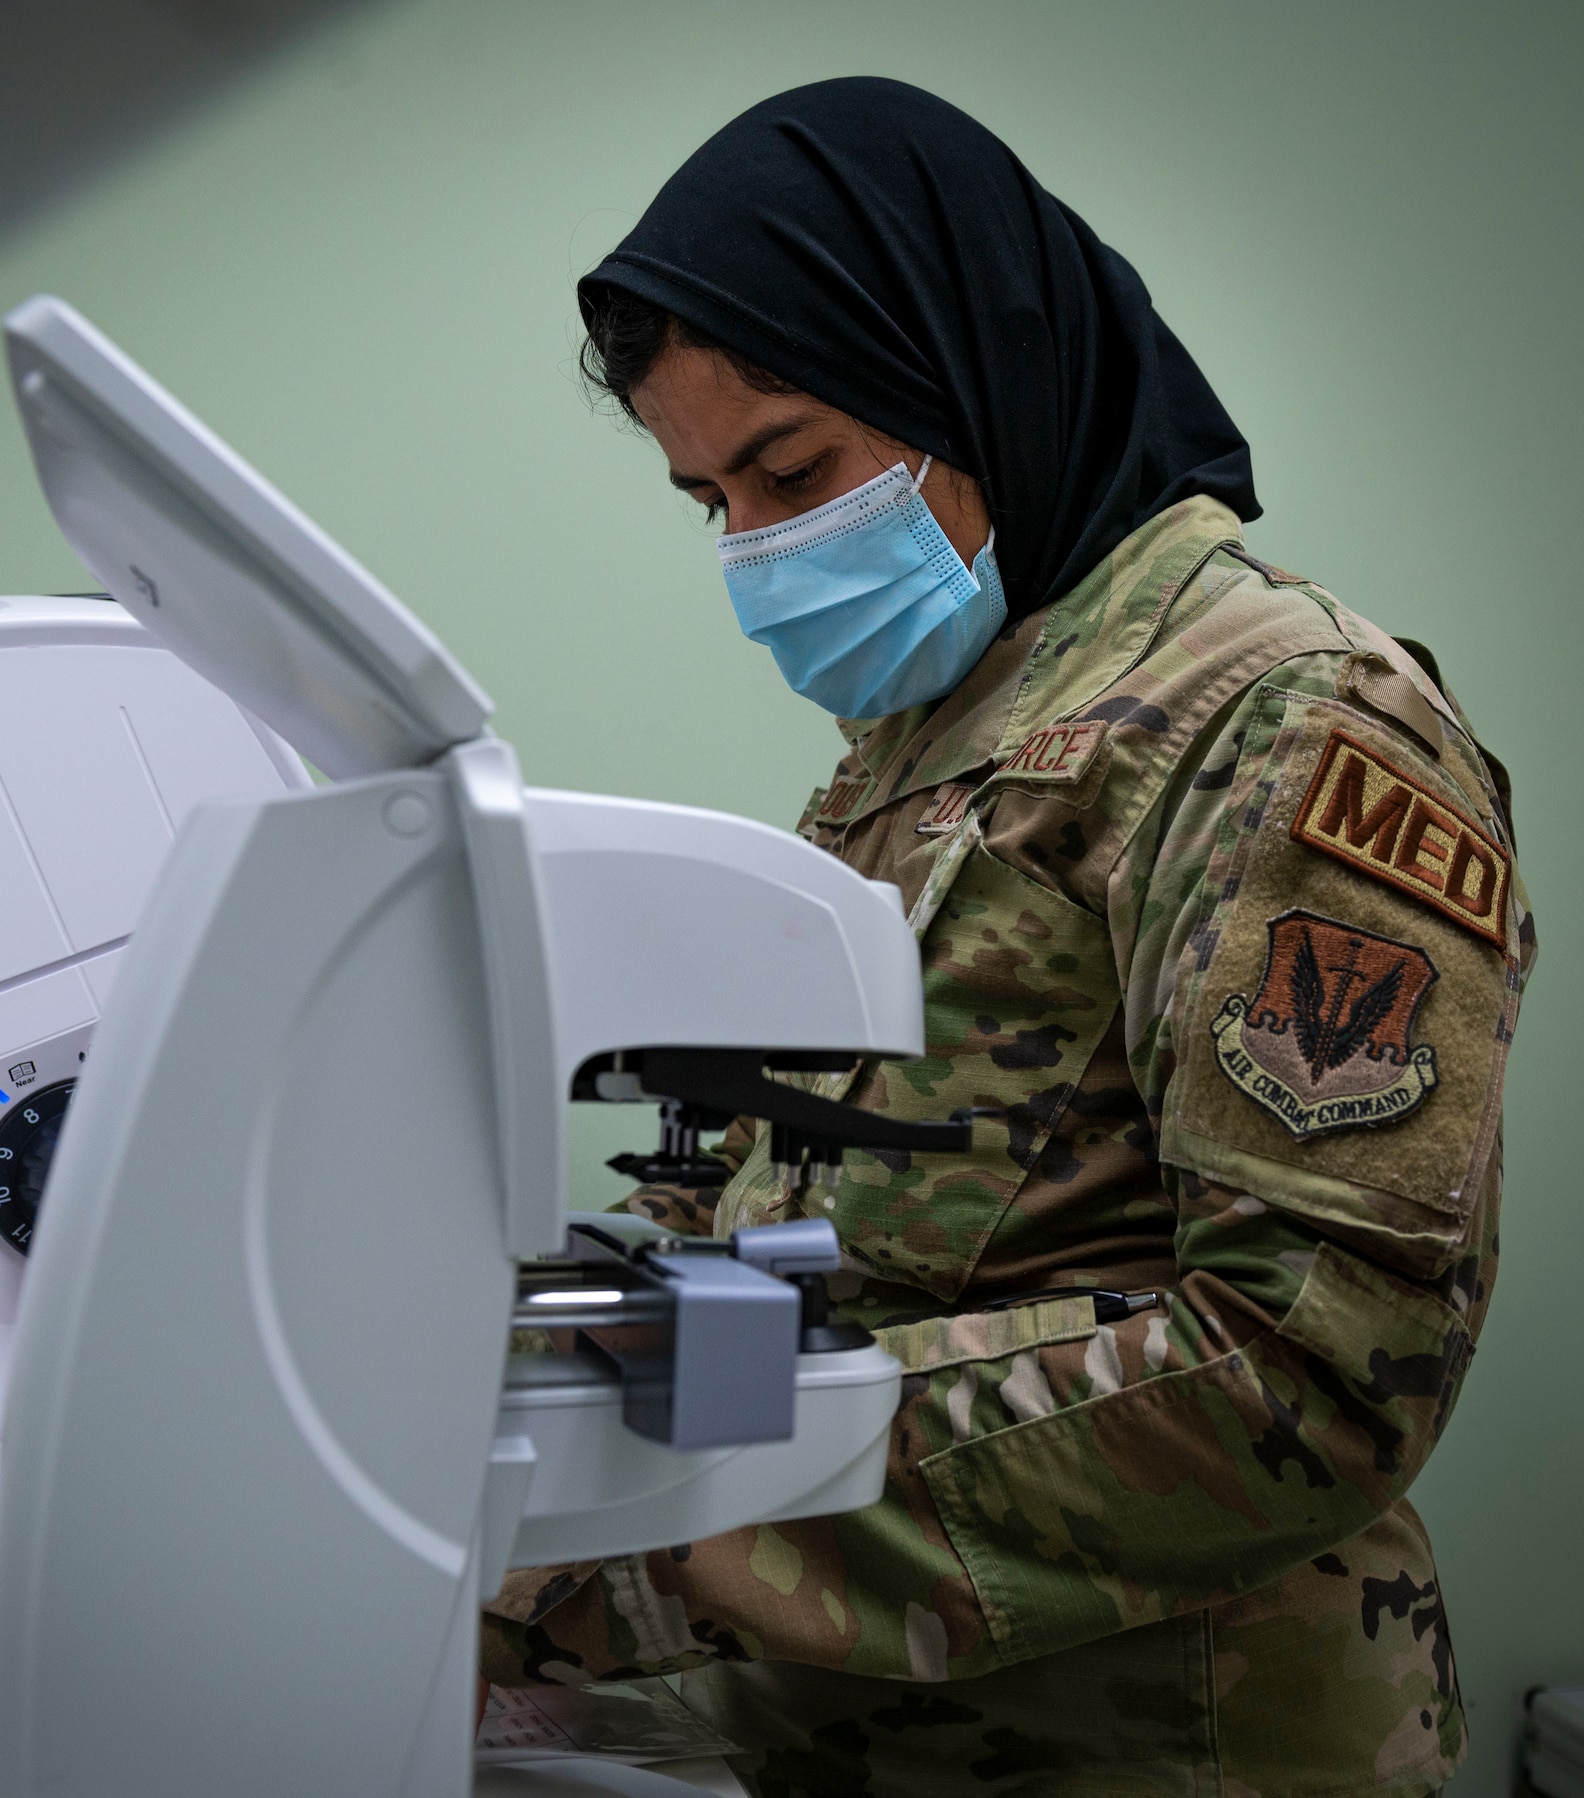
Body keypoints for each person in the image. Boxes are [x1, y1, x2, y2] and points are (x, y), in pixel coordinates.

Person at [480, 78, 1532, 1797]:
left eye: (793, 467)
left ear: (969, 367)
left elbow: (1312, 1358)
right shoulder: (927, 743)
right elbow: (776, 1186)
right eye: (708, 502)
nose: (754, 551)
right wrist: (529, 1346)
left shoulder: (1283, 718)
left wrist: (660, 1526)